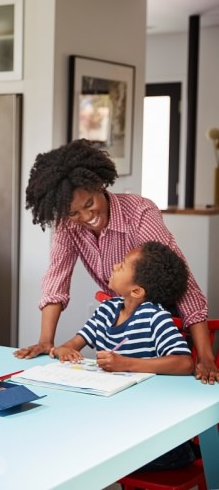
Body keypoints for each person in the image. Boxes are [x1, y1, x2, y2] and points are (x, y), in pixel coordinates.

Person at [15, 139, 217, 384]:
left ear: (99, 184)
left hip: (164, 317)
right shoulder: (67, 226)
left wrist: (205, 356)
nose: (87, 217)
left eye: (90, 204)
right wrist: (46, 341)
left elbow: (185, 284)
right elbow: (56, 280)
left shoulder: (139, 213)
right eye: (74, 213)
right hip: (123, 310)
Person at [51, 241, 197, 471]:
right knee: (74, 442)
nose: (115, 265)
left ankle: (183, 451)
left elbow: (184, 362)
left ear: (137, 291)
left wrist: (126, 364)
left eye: (123, 265)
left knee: (89, 452)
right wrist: (65, 350)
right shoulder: (106, 310)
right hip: (116, 418)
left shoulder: (154, 317)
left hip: (148, 422)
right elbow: (70, 345)